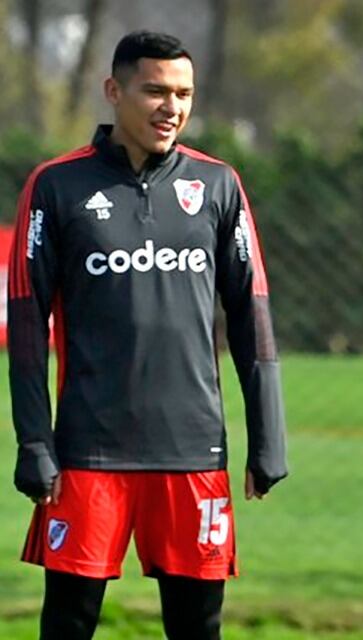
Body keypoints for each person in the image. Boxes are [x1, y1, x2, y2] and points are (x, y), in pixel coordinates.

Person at [9, 31, 287, 639]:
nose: (172, 107)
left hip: (193, 455)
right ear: (114, 91)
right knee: (69, 620)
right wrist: (33, 440)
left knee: (197, 625)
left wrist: (268, 434)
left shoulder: (218, 186)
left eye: (184, 93)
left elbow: (251, 315)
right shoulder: (55, 187)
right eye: (155, 90)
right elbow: (28, 326)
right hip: (88, 454)